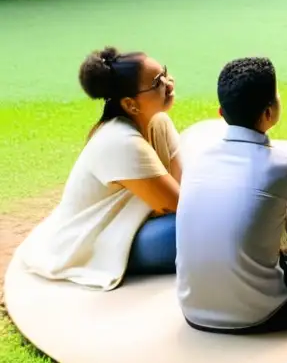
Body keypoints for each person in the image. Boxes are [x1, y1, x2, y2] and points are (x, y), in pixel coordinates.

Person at [15, 47, 181, 291]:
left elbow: (180, 185)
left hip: (135, 226)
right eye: (158, 82)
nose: (169, 83)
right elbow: (179, 204)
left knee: (211, 222)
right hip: (97, 242)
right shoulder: (120, 141)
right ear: (130, 104)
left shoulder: (158, 121)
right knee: (205, 228)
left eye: (164, 73)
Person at [175, 57, 287, 334]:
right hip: (263, 314)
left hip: (193, 311)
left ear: (221, 112)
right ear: (268, 113)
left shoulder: (197, 160)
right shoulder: (283, 165)